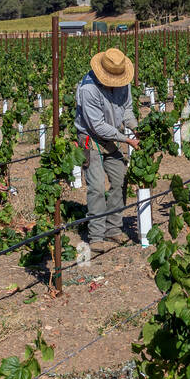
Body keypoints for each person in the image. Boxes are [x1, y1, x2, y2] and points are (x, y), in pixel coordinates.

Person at [74, 47, 139, 251]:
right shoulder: (88, 89)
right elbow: (97, 126)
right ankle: (96, 236)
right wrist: (127, 141)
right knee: (96, 187)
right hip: (90, 138)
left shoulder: (123, 83)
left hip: (113, 136)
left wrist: (136, 129)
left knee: (120, 179)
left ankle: (113, 229)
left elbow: (127, 110)